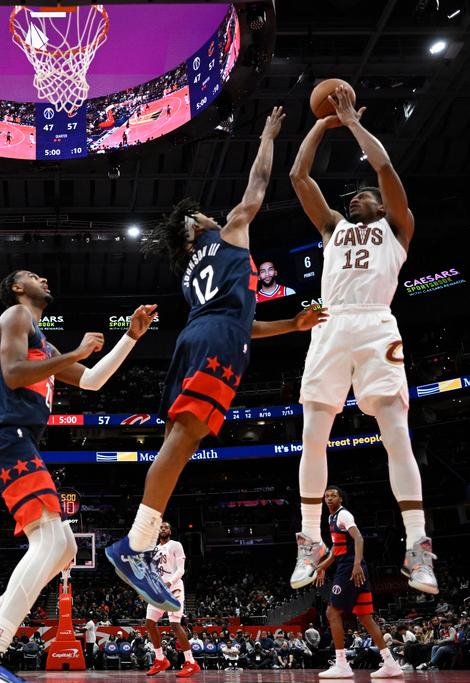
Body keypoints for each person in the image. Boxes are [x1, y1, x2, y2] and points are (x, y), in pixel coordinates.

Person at [105, 107, 325, 609]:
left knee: (175, 442)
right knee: (184, 441)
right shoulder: (229, 234)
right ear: (193, 228)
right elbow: (259, 184)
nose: (209, 212)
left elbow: (240, 318)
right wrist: (268, 135)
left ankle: (137, 540)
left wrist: (291, 324)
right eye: (200, 213)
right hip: (219, 342)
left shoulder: (189, 275)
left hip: (195, 338)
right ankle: (135, 544)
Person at [0, 270, 158, 683]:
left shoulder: (42, 342)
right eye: (32, 275)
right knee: (48, 540)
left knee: (64, 546)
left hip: (16, 438)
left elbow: (92, 380)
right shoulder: (15, 315)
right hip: (4, 434)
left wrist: (131, 338)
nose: (44, 278)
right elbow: (12, 374)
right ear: (16, 288)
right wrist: (77, 350)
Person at [288, 85, 437, 595]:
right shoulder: (332, 228)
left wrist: (351, 122)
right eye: (353, 197)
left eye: (363, 195)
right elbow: (298, 176)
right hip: (332, 324)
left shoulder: (398, 229)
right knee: (313, 433)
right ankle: (309, 541)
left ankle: (418, 548)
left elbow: (387, 170)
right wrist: (320, 124)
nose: (358, 197)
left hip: (377, 324)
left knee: (396, 433)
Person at [312, 486, 402, 678]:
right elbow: (337, 549)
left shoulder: (344, 515)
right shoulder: (331, 518)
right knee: (365, 618)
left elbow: (359, 538)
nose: (329, 498)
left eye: (333, 496)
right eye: (327, 496)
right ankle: (391, 663)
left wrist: (356, 565)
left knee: (332, 612)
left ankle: (342, 664)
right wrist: (323, 566)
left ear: (341, 499)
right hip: (352, 567)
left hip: (350, 570)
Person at [144, 522, 199, 677]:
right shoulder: (154, 550)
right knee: (149, 623)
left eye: (166, 527)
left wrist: (169, 582)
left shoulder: (176, 545)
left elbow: (181, 569)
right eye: (161, 527)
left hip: (174, 589)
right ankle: (160, 659)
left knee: (175, 624)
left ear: (170, 531)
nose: (163, 529)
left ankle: (191, 662)